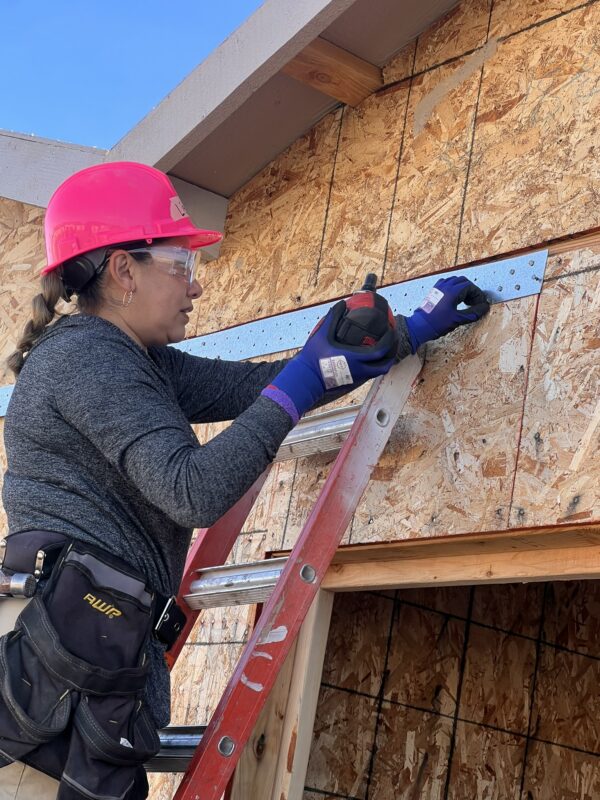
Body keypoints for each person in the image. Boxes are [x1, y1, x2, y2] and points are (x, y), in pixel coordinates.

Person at [0, 162, 489, 799]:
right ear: (123, 270)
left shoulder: (130, 356)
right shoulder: (85, 357)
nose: (194, 288)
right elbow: (193, 489)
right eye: (182, 265)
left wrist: (404, 333)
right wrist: (309, 376)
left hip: (79, 677)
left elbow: (257, 388)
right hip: (54, 698)